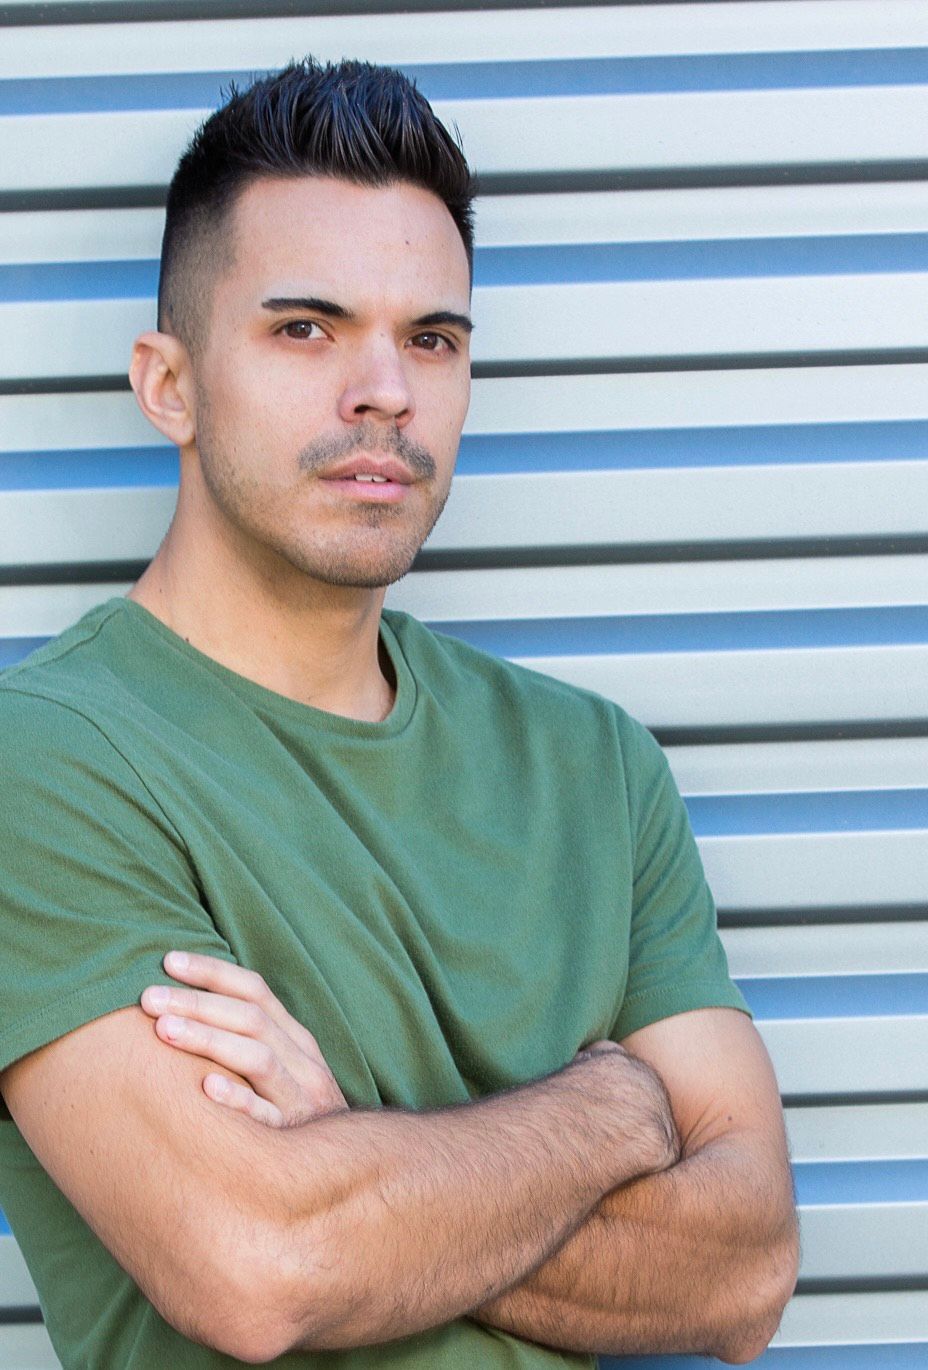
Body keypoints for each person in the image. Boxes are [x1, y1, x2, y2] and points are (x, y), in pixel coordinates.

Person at [0, 59, 798, 1369]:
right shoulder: (51, 763)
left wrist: (351, 1148)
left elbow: (744, 1270)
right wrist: (609, 1105)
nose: (385, 389)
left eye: (431, 337)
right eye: (304, 328)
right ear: (169, 383)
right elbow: (262, 1264)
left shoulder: (593, 767)